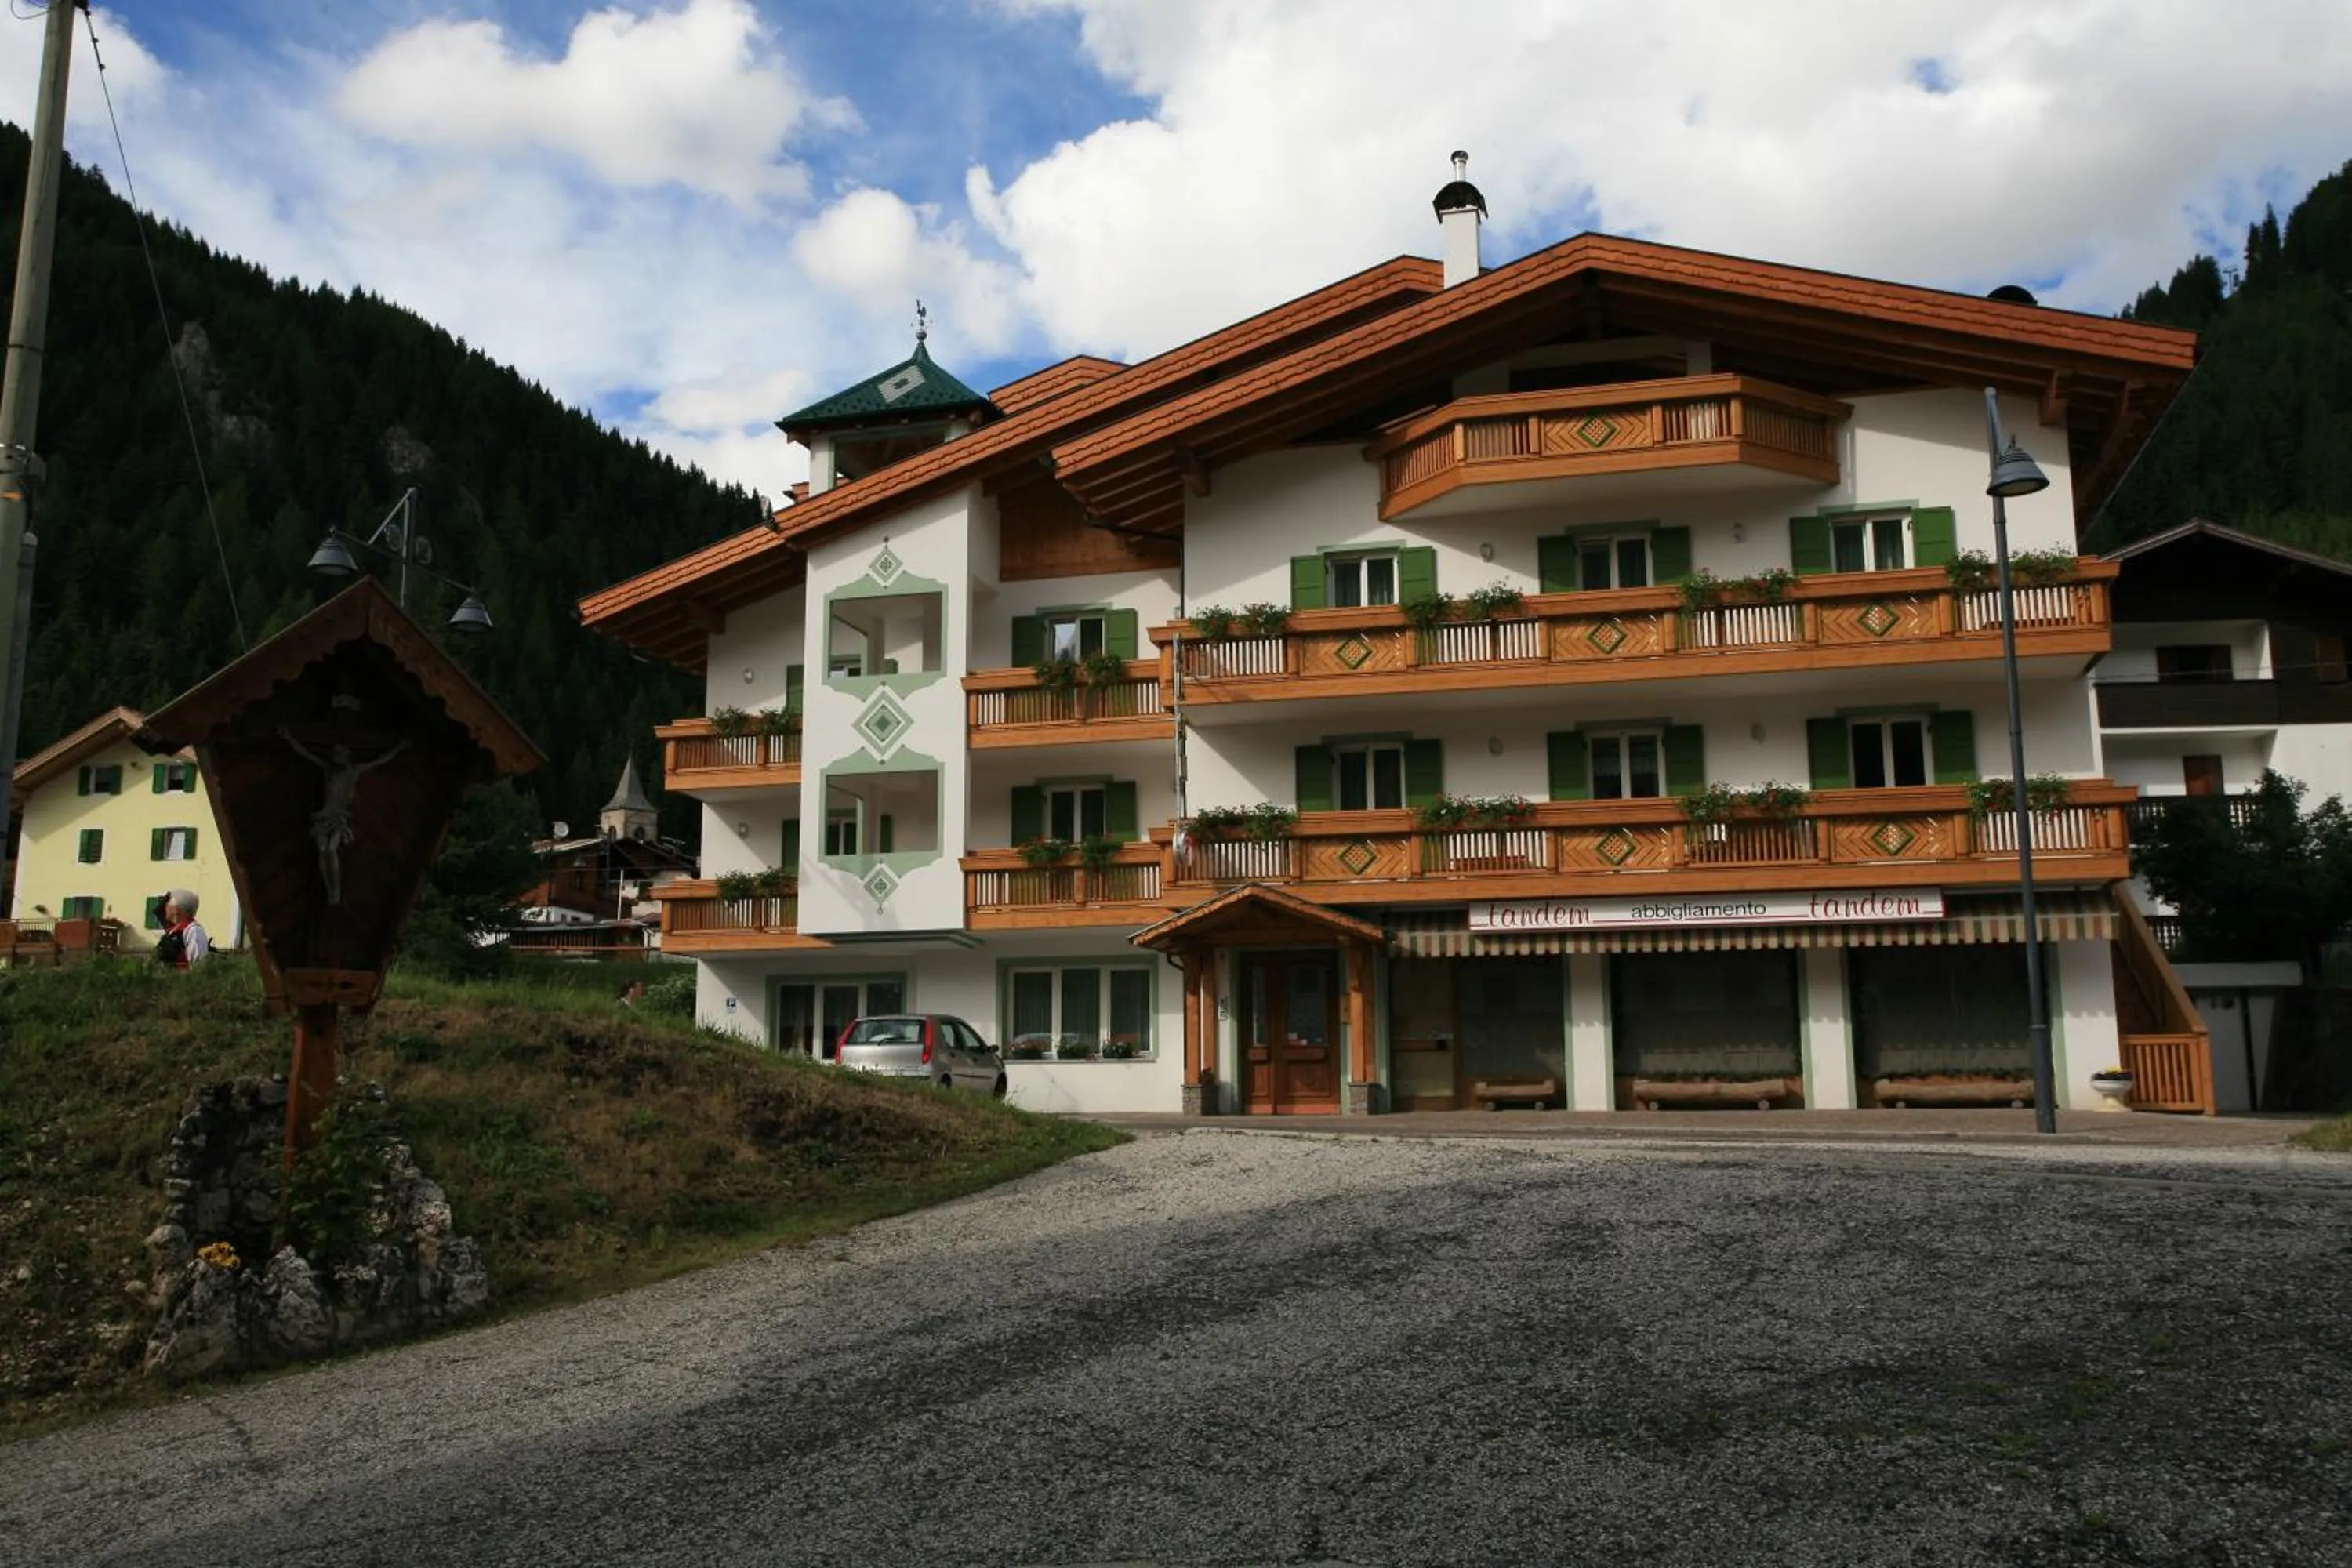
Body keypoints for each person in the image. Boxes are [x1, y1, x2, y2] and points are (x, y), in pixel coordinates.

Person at [156, 889, 210, 969]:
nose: (165, 908)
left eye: (167, 905)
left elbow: (199, 965)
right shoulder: (172, 932)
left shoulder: (193, 931)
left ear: (177, 909)